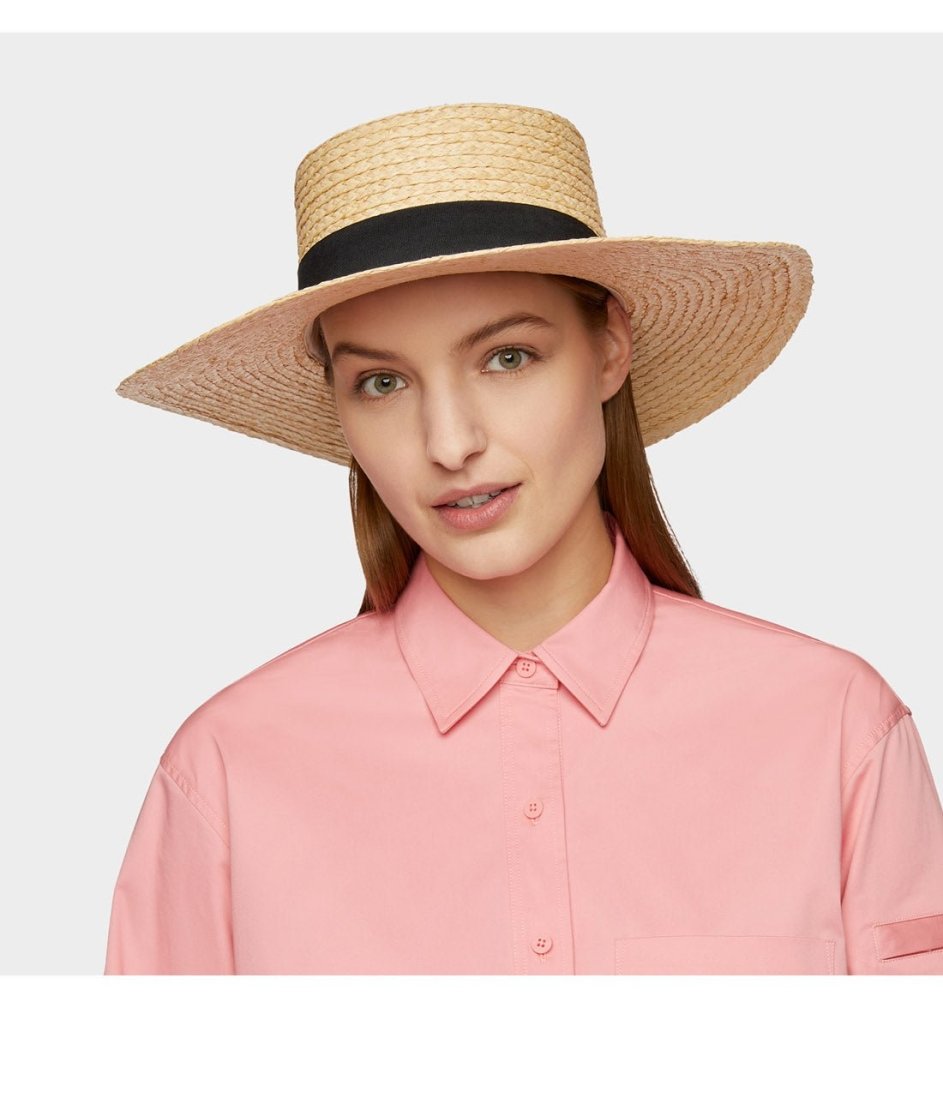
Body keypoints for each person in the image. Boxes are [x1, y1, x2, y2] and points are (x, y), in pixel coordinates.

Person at [104, 101, 943, 975]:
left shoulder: (831, 728)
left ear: (609, 349)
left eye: (507, 357)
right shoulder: (231, 770)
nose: (449, 443)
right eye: (382, 381)